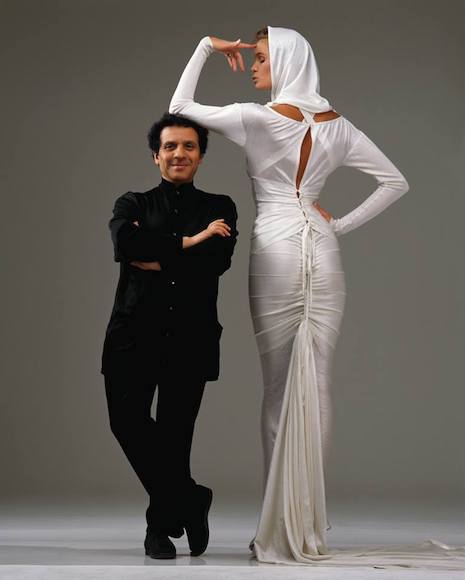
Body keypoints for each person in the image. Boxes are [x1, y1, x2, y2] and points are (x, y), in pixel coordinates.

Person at [169, 27, 409, 564]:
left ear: (284, 62)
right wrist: (338, 225)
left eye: (260, 58)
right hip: (323, 248)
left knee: (279, 388)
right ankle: (308, 528)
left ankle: (277, 530)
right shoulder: (338, 125)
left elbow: (179, 106)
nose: (254, 66)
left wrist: (207, 47)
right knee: (317, 382)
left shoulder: (256, 118)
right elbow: (395, 182)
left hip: (276, 246)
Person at [101, 113, 238, 559]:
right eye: (170, 146)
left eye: (189, 146)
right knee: (127, 422)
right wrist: (190, 242)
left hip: (190, 337)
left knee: (176, 435)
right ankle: (190, 498)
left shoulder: (220, 207)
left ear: (201, 156)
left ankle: (159, 530)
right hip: (131, 333)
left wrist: (161, 252)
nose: (179, 153)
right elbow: (127, 247)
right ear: (155, 156)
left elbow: (215, 262)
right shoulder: (132, 203)